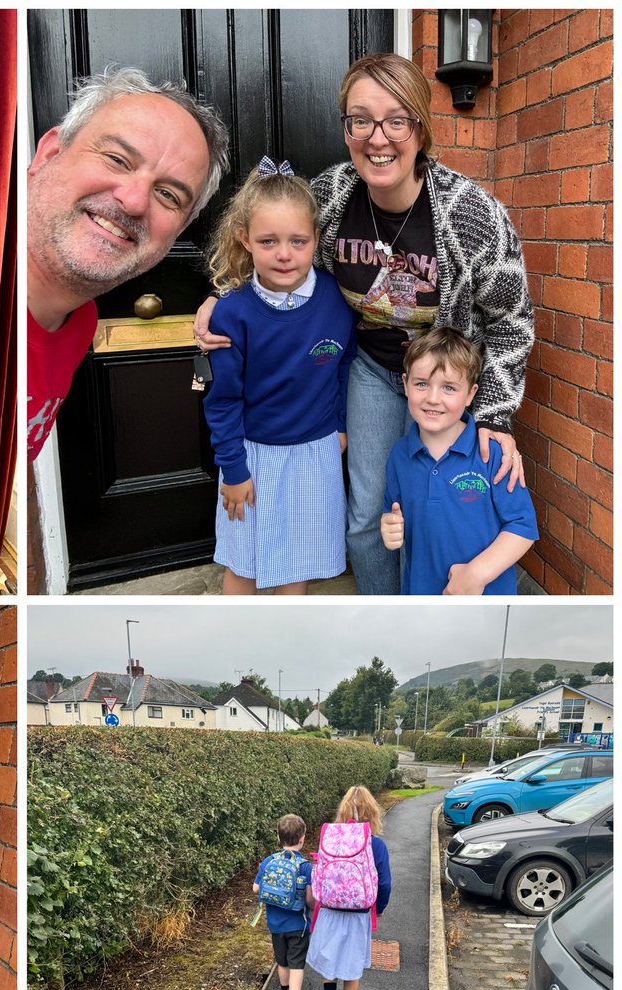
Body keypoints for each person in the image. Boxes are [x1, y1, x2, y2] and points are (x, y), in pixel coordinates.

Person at [196, 53, 532, 594]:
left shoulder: (472, 215)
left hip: (444, 382)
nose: (378, 138)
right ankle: (383, 618)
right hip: (370, 370)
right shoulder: (330, 196)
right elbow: (276, 245)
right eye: (361, 120)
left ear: (421, 128)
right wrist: (222, 299)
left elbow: (512, 322)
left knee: (436, 512)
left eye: (396, 121)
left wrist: (494, 414)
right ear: (346, 128)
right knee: (367, 516)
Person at [27, 66, 229, 461]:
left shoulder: (79, 321)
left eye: (168, 195)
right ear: (49, 154)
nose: (134, 201)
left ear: (178, 231)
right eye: (117, 159)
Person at [202, 160, 356, 594]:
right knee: (243, 563)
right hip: (252, 457)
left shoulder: (336, 299)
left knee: (297, 563)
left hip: (316, 454)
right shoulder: (232, 313)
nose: (284, 254)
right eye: (268, 241)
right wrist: (233, 470)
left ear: (316, 239)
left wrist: (341, 426)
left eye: (298, 241)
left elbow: (344, 366)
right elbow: (223, 400)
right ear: (245, 239)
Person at [382, 327, 538, 594]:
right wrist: (389, 528)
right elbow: (393, 513)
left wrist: (474, 575)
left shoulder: (492, 454)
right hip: (422, 596)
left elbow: (522, 526)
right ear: (406, 384)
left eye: (449, 388)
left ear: (470, 394)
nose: (433, 398)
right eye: (422, 384)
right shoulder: (399, 455)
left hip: (484, 601)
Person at [305, 787, 391, 990]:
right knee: (352, 964)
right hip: (358, 913)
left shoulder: (329, 839)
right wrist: (379, 908)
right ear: (372, 813)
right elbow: (385, 883)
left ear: (342, 812)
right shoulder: (376, 844)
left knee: (329, 959)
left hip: (329, 911)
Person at [251, 814, 314, 990]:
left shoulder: (269, 861)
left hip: (275, 924)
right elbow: (309, 899)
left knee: (282, 961)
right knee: (297, 963)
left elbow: (256, 888)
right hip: (298, 924)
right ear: (302, 839)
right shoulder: (305, 866)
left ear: (278, 838)